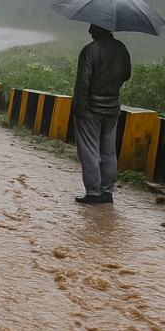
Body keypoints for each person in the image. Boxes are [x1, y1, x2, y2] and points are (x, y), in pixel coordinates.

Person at [72, 23, 131, 204]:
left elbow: (83, 82)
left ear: (101, 29)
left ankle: (93, 192)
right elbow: (126, 75)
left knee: (89, 150)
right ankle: (107, 192)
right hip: (112, 109)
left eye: (93, 27)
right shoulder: (121, 49)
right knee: (108, 150)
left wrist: (79, 108)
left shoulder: (90, 51)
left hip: (90, 109)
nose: (90, 31)